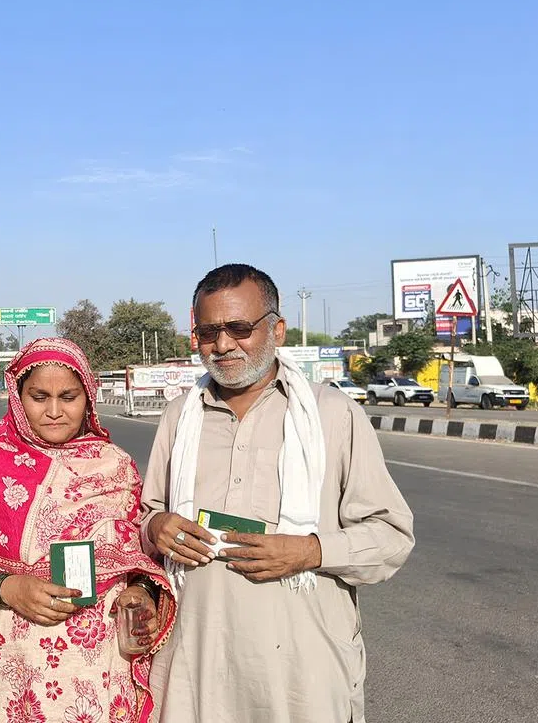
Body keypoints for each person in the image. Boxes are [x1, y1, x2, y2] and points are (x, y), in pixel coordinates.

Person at [140, 264, 414, 723]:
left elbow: (391, 535)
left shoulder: (332, 415)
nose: (223, 345)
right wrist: (156, 526)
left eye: (240, 328)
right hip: (197, 670)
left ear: (277, 329)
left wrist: (310, 551)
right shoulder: (178, 417)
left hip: (299, 677)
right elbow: (147, 517)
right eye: (209, 332)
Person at [0, 338, 177, 723]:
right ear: (18, 396)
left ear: (88, 397)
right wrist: (10, 588)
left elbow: (143, 558)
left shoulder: (116, 467)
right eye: (39, 397)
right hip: (15, 664)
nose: (55, 411)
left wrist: (139, 591)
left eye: (69, 397)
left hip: (100, 666)